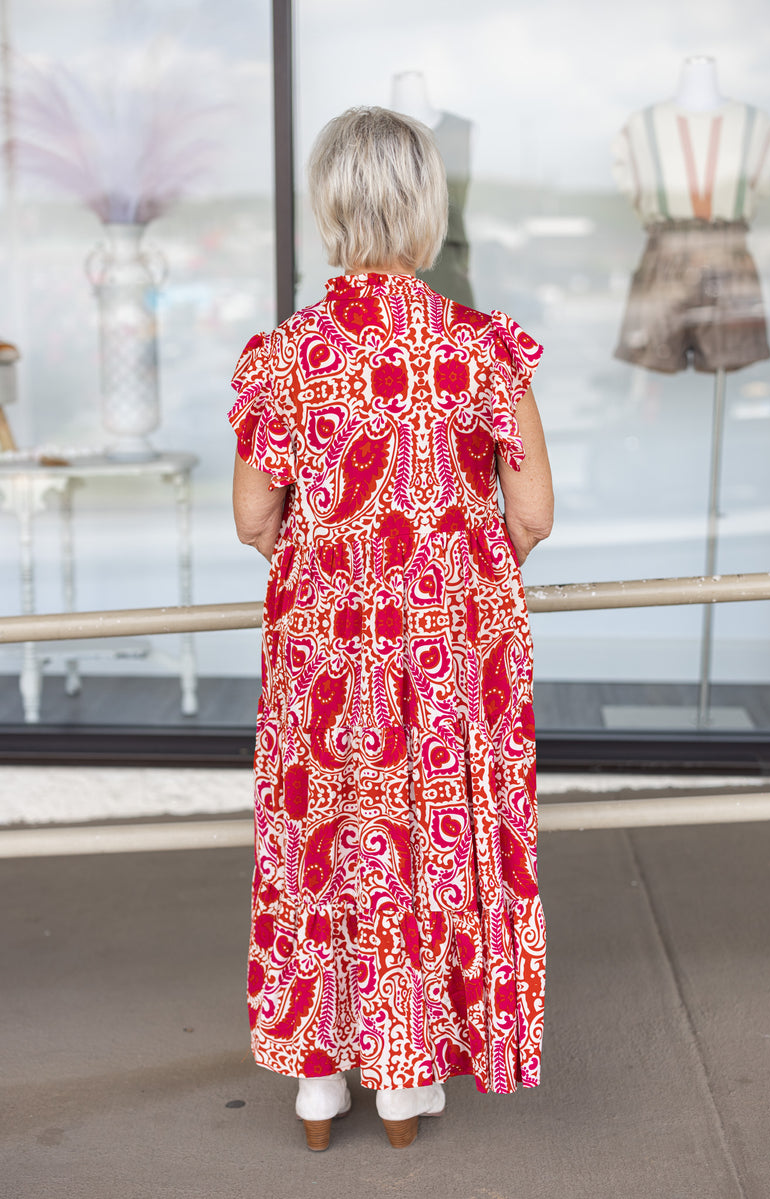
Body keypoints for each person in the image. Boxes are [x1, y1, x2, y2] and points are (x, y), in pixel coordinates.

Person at [229, 107, 553, 1152]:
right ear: (427, 209)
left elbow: (252, 517)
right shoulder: (479, 348)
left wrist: (336, 561)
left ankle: (319, 1080)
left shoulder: (288, 358)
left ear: (327, 205)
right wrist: (455, 571)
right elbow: (533, 512)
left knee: (320, 840)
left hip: (324, 649)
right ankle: (409, 1085)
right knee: (425, 839)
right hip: (445, 653)